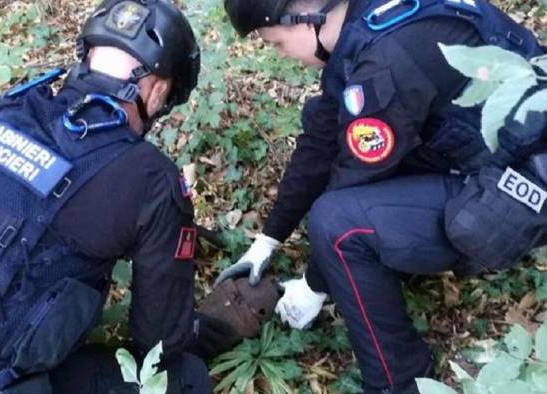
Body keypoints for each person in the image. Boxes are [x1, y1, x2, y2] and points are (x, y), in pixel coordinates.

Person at [0, 1, 238, 393]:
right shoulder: (151, 179)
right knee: (183, 378)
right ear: (158, 92)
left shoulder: (4, 111)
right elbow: (161, 340)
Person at [216, 0, 546, 392]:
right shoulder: (372, 21)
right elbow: (321, 140)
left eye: (277, 44)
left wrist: (314, 284)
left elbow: (353, 180)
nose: (282, 56)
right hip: (502, 151)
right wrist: (267, 240)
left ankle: (400, 381)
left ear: (306, 20)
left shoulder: (386, 65)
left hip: (522, 187)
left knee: (337, 224)